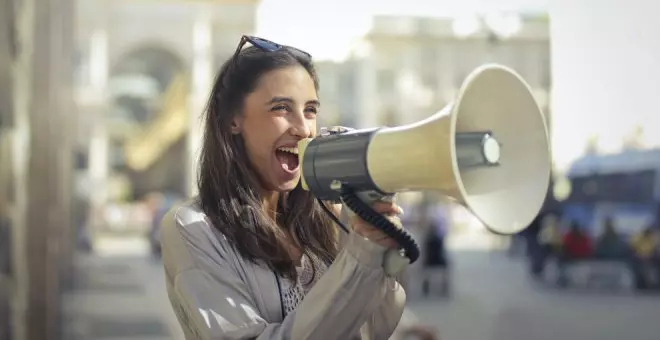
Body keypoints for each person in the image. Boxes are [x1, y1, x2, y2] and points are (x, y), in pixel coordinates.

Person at [160, 36, 409, 339]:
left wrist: (377, 249)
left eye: (310, 110)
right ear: (232, 120)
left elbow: (369, 330)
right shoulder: (193, 228)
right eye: (281, 108)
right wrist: (359, 257)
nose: (303, 129)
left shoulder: (327, 214)